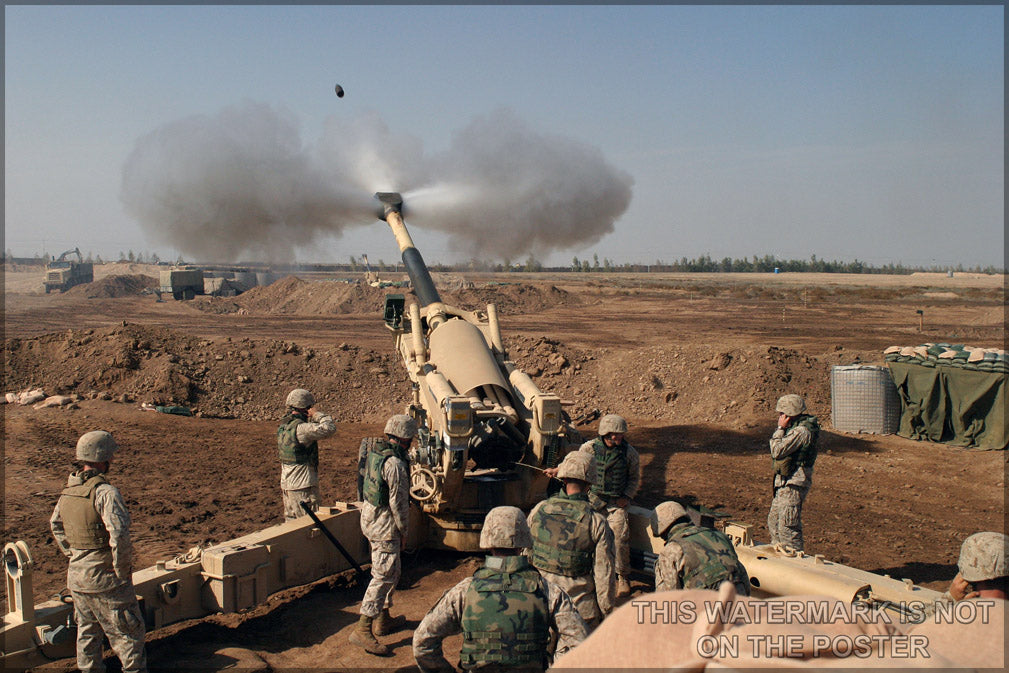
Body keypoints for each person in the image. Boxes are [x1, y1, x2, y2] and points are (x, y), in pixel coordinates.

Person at [413, 506, 588, 672]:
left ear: (487, 542)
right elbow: (580, 642)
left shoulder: (464, 591)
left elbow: (422, 642)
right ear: (523, 543)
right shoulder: (549, 591)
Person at [49, 430, 148, 673]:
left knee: (87, 634)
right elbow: (119, 536)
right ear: (102, 458)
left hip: (77, 578)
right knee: (128, 636)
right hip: (105, 579)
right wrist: (121, 571)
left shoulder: (67, 493)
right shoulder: (106, 493)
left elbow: (56, 526)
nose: (112, 461)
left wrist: (74, 556)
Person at [350, 414, 416, 655]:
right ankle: (363, 628)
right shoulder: (395, 465)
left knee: (392, 570)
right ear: (406, 438)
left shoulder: (376, 452)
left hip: (370, 517)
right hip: (385, 525)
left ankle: (383, 618)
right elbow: (399, 504)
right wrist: (405, 531)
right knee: (383, 574)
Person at [527, 451, 615, 630]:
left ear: (563, 479)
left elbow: (526, 556)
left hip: (539, 605)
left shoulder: (539, 510)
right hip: (579, 610)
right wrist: (606, 613)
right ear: (590, 483)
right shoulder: (596, 522)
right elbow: (603, 574)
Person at [576, 413, 640, 598]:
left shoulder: (629, 453)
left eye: (620, 434)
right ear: (605, 433)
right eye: (614, 434)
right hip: (593, 500)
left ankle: (623, 577)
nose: (618, 437)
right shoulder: (589, 449)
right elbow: (577, 467)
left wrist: (627, 496)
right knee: (586, 537)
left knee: (620, 538)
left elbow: (634, 478)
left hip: (615, 504)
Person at [650, 501, 750, 595]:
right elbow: (741, 573)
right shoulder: (719, 535)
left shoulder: (671, 550)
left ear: (663, 533)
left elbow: (667, 597)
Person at [767, 394, 819, 552]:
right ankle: (779, 557)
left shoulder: (802, 432)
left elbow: (777, 450)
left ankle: (796, 564)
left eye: (782, 414)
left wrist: (780, 429)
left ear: (788, 414)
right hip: (785, 483)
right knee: (774, 521)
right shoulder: (796, 428)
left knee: (788, 527)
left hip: (794, 484)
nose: (780, 417)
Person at [277, 388, 336, 521]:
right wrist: (317, 415)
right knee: (310, 526)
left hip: (287, 485)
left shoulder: (285, 426)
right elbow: (329, 428)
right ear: (306, 408)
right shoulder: (302, 429)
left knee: (291, 528)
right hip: (303, 487)